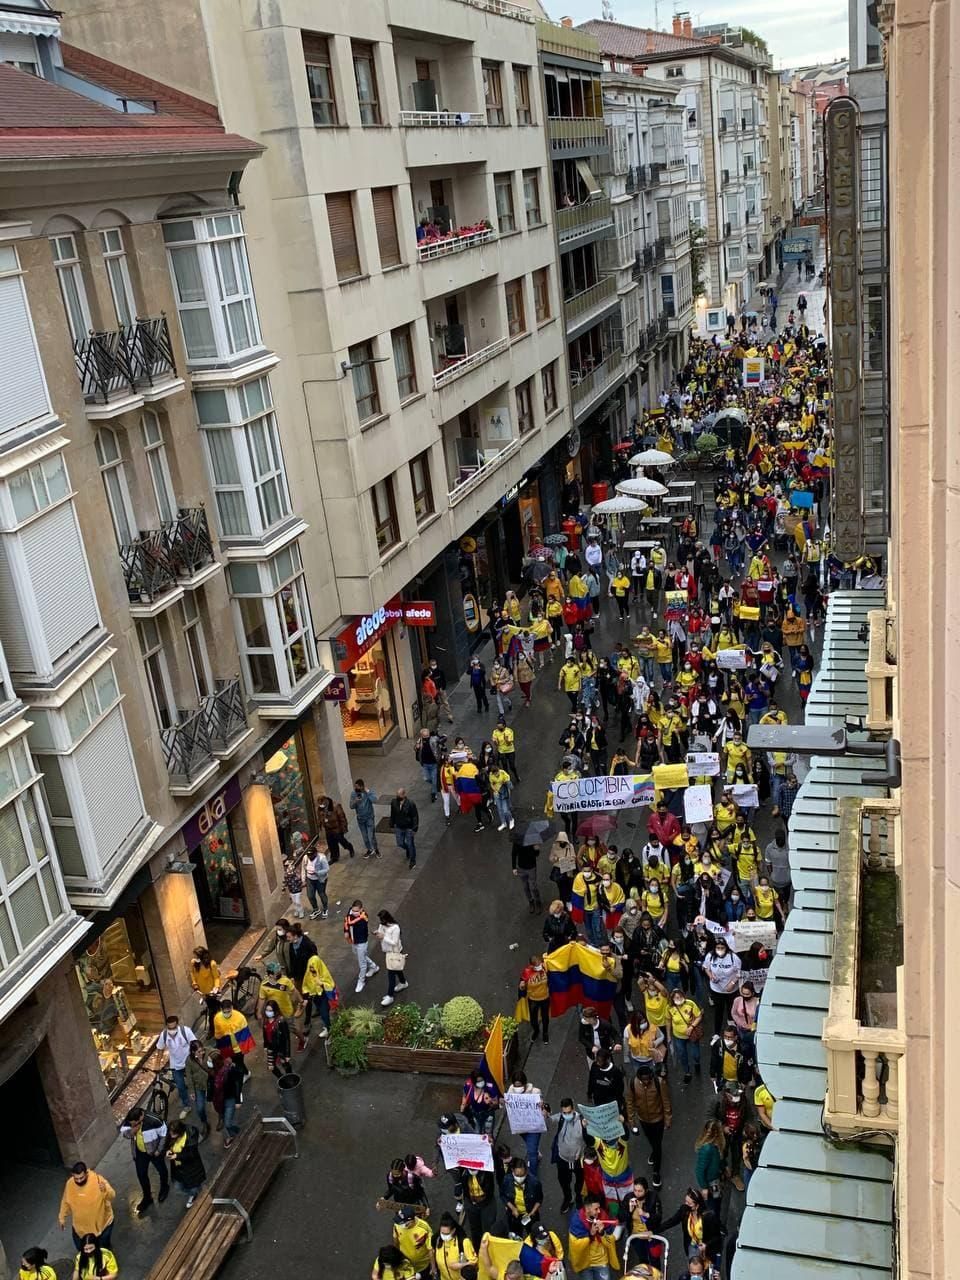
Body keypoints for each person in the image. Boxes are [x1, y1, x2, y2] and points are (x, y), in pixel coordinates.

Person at [625, 1065, 672, 1188]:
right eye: (643, 1079)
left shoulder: (659, 1082)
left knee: (657, 1145)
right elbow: (630, 1102)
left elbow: (666, 1101)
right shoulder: (632, 1083)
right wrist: (632, 1121)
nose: (646, 1081)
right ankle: (654, 1153)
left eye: (648, 1079)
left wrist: (668, 1119)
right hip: (643, 1119)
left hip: (658, 1119)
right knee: (651, 1140)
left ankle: (656, 1172)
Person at [119, 1106, 168, 1216]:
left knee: (161, 1170)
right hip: (140, 1153)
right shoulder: (131, 1121)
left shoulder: (155, 1120)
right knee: (141, 1175)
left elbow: (164, 1135)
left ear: (141, 1116)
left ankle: (164, 1187)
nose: (132, 1125)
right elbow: (125, 1134)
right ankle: (147, 1197)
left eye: (135, 1123)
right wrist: (133, 1131)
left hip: (154, 1151)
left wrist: (159, 1150)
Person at [59, 1163, 115, 1251]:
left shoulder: (98, 1180)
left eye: (81, 1177)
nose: (79, 1181)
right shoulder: (69, 1184)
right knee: (82, 1251)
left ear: (86, 1173)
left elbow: (112, 1196)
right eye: (76, 1178)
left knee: (103, 1250)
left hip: (102, 1227)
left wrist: (105, 1191)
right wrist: (62, 1217)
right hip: (80, 1229)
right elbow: (65, 1201)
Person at [506, 1072, 548, 1174]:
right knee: (530, 1145)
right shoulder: (510, 1093)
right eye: (516, 1086)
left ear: (525, 1084)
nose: (518, 1088)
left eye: (520, 1086)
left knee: (531, 1153)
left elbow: (546, 1109)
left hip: (534, 1127)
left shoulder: (535, 1092)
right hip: (520, 1127)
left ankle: (532, 1175)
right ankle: (535, 1152)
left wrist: (543, 1107)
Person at [568, 1195, 619, 1279]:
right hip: (584, 1263)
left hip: (601, 1260)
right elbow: (575, 1246)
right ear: (587, 1209)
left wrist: (602, 1233)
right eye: (596, 1209)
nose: (599, 1211)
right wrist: (591, 1234)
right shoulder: (576, 1221)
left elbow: (610, 1238)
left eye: (599, 1208)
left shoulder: (603, 1214)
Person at [156, 1013, 198, 1115]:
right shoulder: (164, 1035)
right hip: (176, 1066)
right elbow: (160, 1049)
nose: (172, 1030)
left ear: (177, 1025)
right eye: (170, 1028)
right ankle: (186, 1105)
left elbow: (195, 1044)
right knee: (180, 1087)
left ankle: (199, 1096)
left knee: (195, 1082)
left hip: (189, 1063)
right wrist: (157, 1064)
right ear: (167, 1027)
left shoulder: (185, 1031)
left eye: (174, 1027)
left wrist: (197, 1057)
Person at [550, 1097, 586, 1213]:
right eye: (564, 1112)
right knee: (564, 1181)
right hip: (563, 1158)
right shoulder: (560, 1118)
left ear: (573, 1109)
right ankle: (568, 1198)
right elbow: (548, 1121)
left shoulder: (582, 1120)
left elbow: (590, 1138)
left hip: (578, 1159)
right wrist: (543, 1114)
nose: (567, 1115)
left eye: (569, 1112)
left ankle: (579, 1197)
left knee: (580, 1180)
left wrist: (586, 1128)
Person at [164, 1118, 206, 1208]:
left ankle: (196, 1195)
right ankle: (195, 1194)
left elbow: (191, 1154)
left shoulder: (190, 1136)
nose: (171, 1136)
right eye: (170, 1133)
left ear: (180, 1132)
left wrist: (177, 1156)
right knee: (178, 1186)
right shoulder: (171, 1135)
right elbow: (166, 1145)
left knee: (193, 1187)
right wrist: (167, 1150)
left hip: (192, 1169)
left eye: (174, 1134)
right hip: (178, 1168)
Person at [344, 900, 380, 993]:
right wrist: (346, 931)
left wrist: (348, 925)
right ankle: (373, 966)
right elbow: (346, 922)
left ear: (361, 909)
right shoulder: (350, 913)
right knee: (361, 957)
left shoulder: (363, 918)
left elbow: (350, 922)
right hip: (353, 941)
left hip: (361, 942)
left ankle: (361, 981)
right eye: (353, 910)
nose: (354, 912)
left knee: (362, 964)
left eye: (357, 911)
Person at [667, 989, 703, 1082]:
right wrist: (669, 1036)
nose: (678, 999)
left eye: (680, 996)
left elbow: (699, 1016)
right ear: (672, 999)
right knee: (682, 1055)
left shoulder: (690, 1004)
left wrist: (691, 1027)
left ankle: (697, 1063)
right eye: (676, 997)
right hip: (678, 1036)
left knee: (696, 1054)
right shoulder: (670, 1008)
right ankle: (687, 1071)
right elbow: (668, 1021)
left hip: (692, 1035)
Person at [211, 1050, 245, 1148]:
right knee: (227, 1120)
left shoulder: (229, 1071)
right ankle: (234, 1134)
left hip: (229, 1099)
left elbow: (237, 1084)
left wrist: (238, 1100)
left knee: (228, 1123)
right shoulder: (213, 1072)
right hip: (220, 1100)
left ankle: (236, 1133)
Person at [501, 1155, 544, 1233]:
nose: (520, 1178)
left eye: (522, 1175)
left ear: (526, 1172)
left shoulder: (534, 1183)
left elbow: (539, 1199)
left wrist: (532, 1212)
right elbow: (503, 1195)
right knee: (516, 1237)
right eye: (517, 1175)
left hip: (529, 1215)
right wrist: (513, 1208)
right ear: (512, 1171)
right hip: (514, 1216)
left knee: (532, 1236)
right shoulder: (507, 1180)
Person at [301, 951, 337, 1038]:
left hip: (323, 993)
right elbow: (307, 982)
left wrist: (320, 984)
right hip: (316, 994)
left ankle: (330, 1030)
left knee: (324, 1012)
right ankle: (328, 1027)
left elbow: (327, 983)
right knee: (323, 1012)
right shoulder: (311, 967)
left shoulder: (316, 965)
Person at [693, 1119, 726, 1214]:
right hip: (712, 1182)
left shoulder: (716, 1145)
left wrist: (724, 1166)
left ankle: (716, 1220)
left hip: (716, 1179)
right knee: (714, 1204)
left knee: (717, 1200)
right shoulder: (707, 1149)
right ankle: (715, 1222)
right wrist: (704, 1187)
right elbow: (699, 1170)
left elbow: (719, 1158)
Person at [377, 909, 408, 1006]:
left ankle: (390, 996)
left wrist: (383, 937)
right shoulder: (382, 925)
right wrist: (379, 933)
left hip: (395, 952)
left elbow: (394, 942)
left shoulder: (395, 928)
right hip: (388, 952)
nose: (381, 923)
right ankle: (403, 982)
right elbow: (380, 931)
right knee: (397, 969)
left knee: (391, 974)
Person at [432, 1213, 477, 1279]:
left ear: (453, 1230)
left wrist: (460, 1266)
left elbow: (474, 1262)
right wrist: (434, 1268)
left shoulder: (464, 1242)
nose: (444, 1236)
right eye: (442, 1233)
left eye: (447, 1233)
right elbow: (432, 1252)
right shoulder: (437, 1240)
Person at [393, 1205, 433, 1278]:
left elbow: (430, 1249)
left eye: (403, 1223)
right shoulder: (397, 1225)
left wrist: (433, 1267)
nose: (400, 1225)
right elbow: (396, 1241)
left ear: (411, 1220)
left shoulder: (424, 1228)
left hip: (423, 1265)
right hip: (406, 1265)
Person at [189, 946, 221, 1037]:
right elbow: (192, 972)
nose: (195, 958)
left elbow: (216, 977)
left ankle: (212, 1030)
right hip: (202, 991)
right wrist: (194, 983)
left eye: (197, 957)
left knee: (211, 1011)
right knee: (212, 1007)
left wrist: (216, 987)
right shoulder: (194, 963)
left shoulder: (212, 964)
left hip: (211, 990)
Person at [519, 954, 550, 1043]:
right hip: (533, 1000)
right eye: (536, 965)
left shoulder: (545, 967)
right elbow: (522, 986)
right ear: (531, 966)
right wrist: (522, 986)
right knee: (533, 1019)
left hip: (545, 998)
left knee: (545, 1017)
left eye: (539, 963)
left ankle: (545, 1033)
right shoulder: (527, 972)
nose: (539, 966)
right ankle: (536, 1031)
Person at [212, 995, 255, 1060]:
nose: (227, 1014)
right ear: (221, 1009)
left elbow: (245, 1033)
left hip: (238, 1048)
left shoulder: (239, 1017)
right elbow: (218, 1034)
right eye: (225, 1012)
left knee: (239, 1062)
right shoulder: (217, 1018)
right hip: (227, 1047)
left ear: (232, 1008)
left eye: (228, 1011)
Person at [184, 1040, 212, 1138]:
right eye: (199, 1052)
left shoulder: (208, 1052)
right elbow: (189, 1076)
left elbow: (217, 1052)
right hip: (199, 1086)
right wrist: (191, 1091)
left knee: (219, 1102)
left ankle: (222, 1117)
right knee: (200, 1108)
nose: (201, 1053)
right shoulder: (189, 1060)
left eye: (202, 1050)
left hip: (211, 1084)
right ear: (193, 1052)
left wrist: (212, 1057)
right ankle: (204, 1123)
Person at [350, 779, 381, 859]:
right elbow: (351, 806)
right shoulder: (353, 794)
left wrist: (368, 792)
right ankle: (369, 849)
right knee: (365, 837)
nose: (355, 788)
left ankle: (376, 849)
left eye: (357, 787)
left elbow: (375, 800)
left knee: (371, 836)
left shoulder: (368, 792)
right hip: (360, 819)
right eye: (355, 786)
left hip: (369, 818)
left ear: (362, 786)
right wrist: (356, 801)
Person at [318, 795, 355, 861]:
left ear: (325, 801)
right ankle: (334, 857)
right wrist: (321, 824)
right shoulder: (320, 808)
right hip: (328, 829)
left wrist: (344, 828)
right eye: (319, 804)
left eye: (321, 803)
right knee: (331, 844)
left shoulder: (335, 806)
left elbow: (342, 818)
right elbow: (320, 817)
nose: (321, 805)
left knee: (342, 841)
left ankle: (349, 847)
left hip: (337, 829)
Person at [261, 999, 294, 1075]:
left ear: (275, 1010)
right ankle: (281, 1080)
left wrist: (287, 1054)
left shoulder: (281, 1021)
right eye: (267, 1010)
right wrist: (265, 1045)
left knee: (285, 1064)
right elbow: (265, 1034)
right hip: (271, 1047)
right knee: (271, 1067)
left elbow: (286, 1038)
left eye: (270, 1010)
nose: (268, 1012)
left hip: (280, 1047)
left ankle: (290, 1076)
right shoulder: (265, 1021)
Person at [389, 789, 419, 869]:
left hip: (408, 827)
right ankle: (408, 849)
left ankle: (412, 860)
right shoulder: (394, 802)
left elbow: (415, 816)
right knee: (400, 843)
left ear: (404, 795)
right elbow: (392, 814)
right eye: (397, 795)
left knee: (410, 844)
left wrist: (414, 828)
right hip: (399, 826)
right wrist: (391, 824)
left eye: (399, 795)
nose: (397, 797)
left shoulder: (410, 804)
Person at [512, 839, 543, 914]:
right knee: (525, 887)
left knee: (533, 887)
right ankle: (531, 901)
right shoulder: (517, 841)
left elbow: (536, 854)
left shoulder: (532, 840)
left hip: (531, 867)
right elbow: (514, 853)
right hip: (521, 867)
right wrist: (514, 867)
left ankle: (537, 901)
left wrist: (537, 849)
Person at [303, 842, 330, 918]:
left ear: (315, 854)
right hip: (310, 879)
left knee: (321, 894)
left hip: (319, 879)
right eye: (309, 855)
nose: (310, 857)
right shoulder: (305, 858)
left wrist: (317, 872)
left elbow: (327, 869)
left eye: (312, 855)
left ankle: (325, 908)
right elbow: (303, 868)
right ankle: (316, 909)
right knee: (310, 895)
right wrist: (303, 879)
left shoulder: (322, 858)